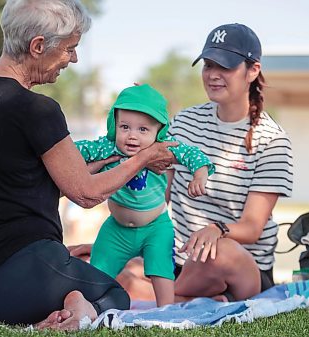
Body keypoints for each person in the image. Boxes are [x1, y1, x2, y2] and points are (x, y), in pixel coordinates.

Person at [0, 0, 177, 331]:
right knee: (114, 293)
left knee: (76, 265)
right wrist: (143, 158)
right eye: (69, 49)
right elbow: (85, 194)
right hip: (16, 278)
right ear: (38, 46)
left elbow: (18, 185)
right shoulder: (37, 109)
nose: (74, 59)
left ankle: (48, 312)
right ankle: (75, 305)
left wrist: (104, 163)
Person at [70, 23, 293, 303]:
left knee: (219, 252)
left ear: (253, 70)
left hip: (240, 266)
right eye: (208, 65)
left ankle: (167, 293)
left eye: (225, 67)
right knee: (121, 275)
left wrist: (216, 230)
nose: (213, 75)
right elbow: (158, 194)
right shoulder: (186, 121)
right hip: (182, 262)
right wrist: (120, 244)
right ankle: (189, 299)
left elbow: (252, 227)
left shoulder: (273, 141)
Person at [75, 84, 215, 306]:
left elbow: (192, 154)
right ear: (114, 125)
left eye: (143, 130)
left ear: (158, 131)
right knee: (97, 271)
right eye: (125, 127)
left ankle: (166, 311)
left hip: (155, 227)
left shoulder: (161, 148)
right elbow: (76, 151)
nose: (132, 136)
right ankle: (87, 306)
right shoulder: (108, 147)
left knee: (162, 271)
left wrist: (200, 175)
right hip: (116, 229)